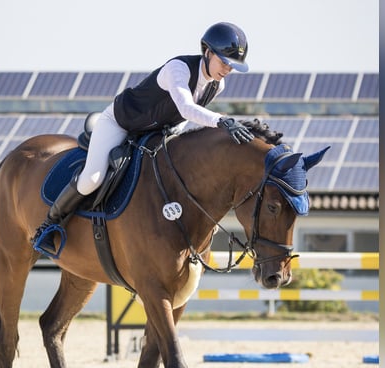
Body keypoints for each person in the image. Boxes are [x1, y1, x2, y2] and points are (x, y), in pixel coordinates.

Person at [33, 21, 255, 256]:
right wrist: (221, 121)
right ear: (207, 52)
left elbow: (180, 120)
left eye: (232, 67)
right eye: (224, 62)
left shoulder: (217, 85)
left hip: (155, 133)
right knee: (93, 178)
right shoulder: (178, 69)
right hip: (120, 123)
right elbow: (186, 107)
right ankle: (49, 224)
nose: (227, 70)